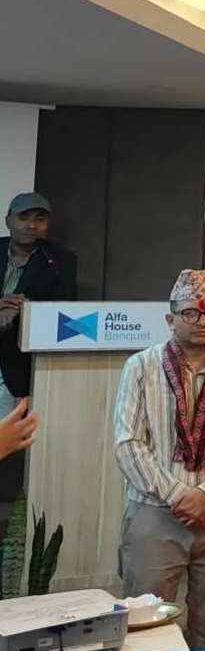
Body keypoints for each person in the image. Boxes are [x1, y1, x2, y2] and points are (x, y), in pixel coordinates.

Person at [112, 268, 205, 650]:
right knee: (145, 621)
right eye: (190, 313)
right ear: (170, 318)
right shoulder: (141, 365)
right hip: (155, 511)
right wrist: (180, 495)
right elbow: (128, 443)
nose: (201, 321)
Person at [0, 192, 77, 530]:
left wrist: (24, 311)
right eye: (24, 217)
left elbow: (63, 315)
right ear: (8, 220)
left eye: (39, 218)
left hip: (17, 366)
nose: (31, 225)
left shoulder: (60, 261)